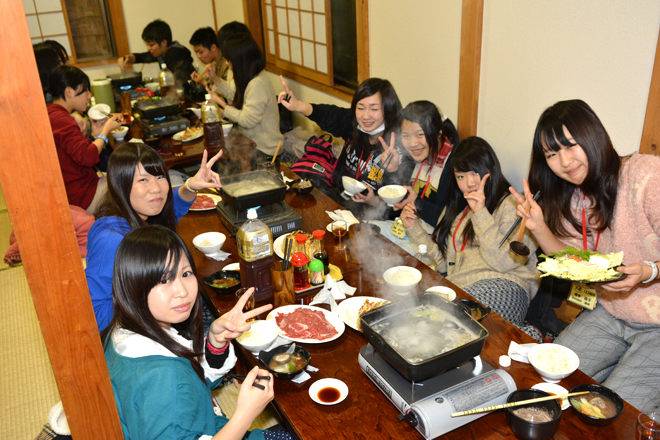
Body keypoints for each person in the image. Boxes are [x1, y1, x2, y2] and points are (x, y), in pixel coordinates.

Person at [510, 99, 660, 411]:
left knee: (609, 411)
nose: (564, 162)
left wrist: (649, 271)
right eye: (551, 154)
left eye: (570, 145)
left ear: (593, 135)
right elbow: (574, 262)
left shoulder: (646, 175)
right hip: (611, 311)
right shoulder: (577, 198)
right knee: (548, 380)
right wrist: (538, 227)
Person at [103, 226, 285, 440]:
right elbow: (174, 388)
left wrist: (215, 344)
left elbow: (188, 387)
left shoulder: (122, 331)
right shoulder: (163, 375)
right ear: (132, 285)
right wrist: (245, 414)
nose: (182, 291)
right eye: (164, 280)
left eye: (186, 274)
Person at [401, 137, 541, 341]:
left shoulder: (513, 206)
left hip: (506, 285)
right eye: (461, 176)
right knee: (416, 320)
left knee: (444, 328)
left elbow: (504, 262)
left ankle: (526, 337)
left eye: (475, 172)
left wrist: (481, 213)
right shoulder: (457, 208)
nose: (470, 183)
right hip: (460, 288)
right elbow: (443, 263)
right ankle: (518, 336)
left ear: (492, 168)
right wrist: (413, 228)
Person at [85, 143, 223, 331]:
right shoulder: (112, 238)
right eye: (143, 180)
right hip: (135, 329)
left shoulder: (138, 215)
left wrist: (190, 186)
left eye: (160, 177)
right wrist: (147, 297)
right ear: (121, 184)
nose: (156, 188)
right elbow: (94, 314)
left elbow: (170, 211)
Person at [277, 76, 412, 213]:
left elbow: (396, 208)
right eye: (360, 108)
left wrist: (391, 172)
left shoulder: (401, 144)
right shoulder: (354, 125)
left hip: (374, 212)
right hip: (342, 197)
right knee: (299, 203)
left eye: (374, 109)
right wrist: (299, 106)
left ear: (388, 110)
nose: (366, 116)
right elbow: (330, 115)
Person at [48, 65, 122, 213]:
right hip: (84, 195)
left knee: (125, 177)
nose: (89, 96)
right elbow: (87, 157)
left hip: (80, 187)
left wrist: (95, 136)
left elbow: (77, 153)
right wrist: (105, 131)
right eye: (86, 90)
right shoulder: (61, 119)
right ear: (69, 91)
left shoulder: (52, 113)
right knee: (134, 185)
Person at [206, 33, 283, 161]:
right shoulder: (251, 76)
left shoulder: (257, 83)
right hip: (252, 144)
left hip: (265, 150)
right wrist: (215, 79)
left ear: (240, 61)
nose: (227, 63)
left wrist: (223, 107)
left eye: (229, 60)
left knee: (219, 159)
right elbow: (236, 94)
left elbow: (248, 120)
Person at [390, 101, 457, 229]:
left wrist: (417, 203)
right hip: (402, 230)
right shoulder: (409, 159)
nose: (413, 144)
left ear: (438, 133)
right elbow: (391, 210)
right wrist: (393, 170)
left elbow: (452, 222)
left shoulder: (455, 165)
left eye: (420, 134)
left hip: (432, 238)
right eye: (406, 136)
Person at [117, 19, 195, 85]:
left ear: (164, 43)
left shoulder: (174, 54)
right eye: (147, 45)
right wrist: (128, 58)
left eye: (151, 45)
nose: (148, 48)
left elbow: (178, 84)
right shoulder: (163, 51)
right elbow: (143, 57)